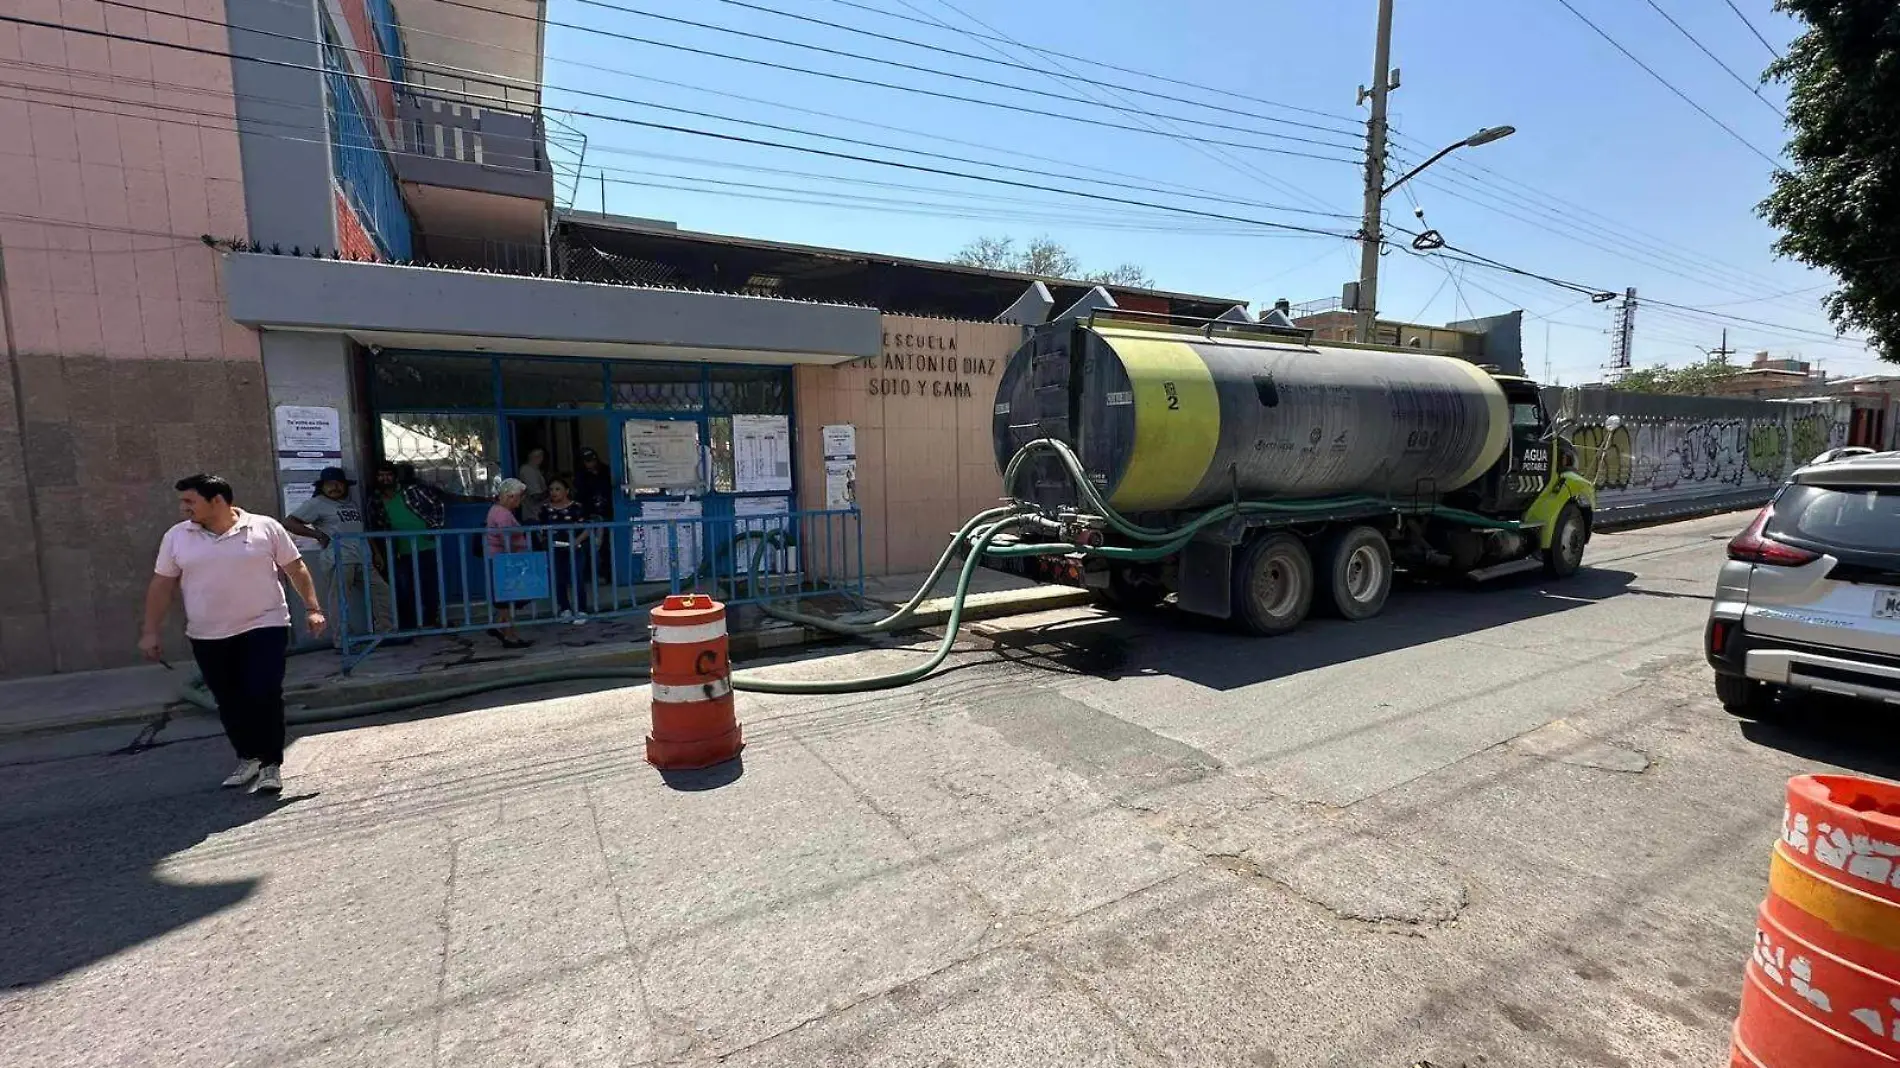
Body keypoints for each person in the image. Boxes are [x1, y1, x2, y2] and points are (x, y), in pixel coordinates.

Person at [140, 473, 326, 795]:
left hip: (264, 624)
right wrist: (150, 631)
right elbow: (162, 584)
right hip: (208, 633)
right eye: (182, 501)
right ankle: (248, 757)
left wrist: (312, 608)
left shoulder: (265, 527)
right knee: (229, 699)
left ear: (217, 501)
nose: (184, 508)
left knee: (264, 691)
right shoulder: (177, 536)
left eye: (190, 501)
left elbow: (295, 567)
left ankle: (270, 764)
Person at [282, 466, 395, 641]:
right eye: (330, 484)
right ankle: (343, 639)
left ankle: (386, 633)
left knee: (382, 593)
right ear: (322, 486)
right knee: (340, 600)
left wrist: (376, 553)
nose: (335, 487)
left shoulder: (350, 503)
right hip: (340, 560)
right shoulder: (318, 503)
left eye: (339, 484)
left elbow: (361, 529)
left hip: (362, 558)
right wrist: (318, 534)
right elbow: (289, 522)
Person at [369, 461, 446, 630]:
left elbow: (437, 503)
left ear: (395, 477)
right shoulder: (375, 500)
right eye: (381, 475)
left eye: (388, 474)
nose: (385, 478)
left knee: (429, 584)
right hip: (398, 550)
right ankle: (411, 623)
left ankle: (431, 619)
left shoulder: (410, 491)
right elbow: (374, 526)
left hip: (424, 545)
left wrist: (435, 527)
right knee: (405, 587)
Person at [485, 478, 535, 649]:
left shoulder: (499, 511)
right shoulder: (502, 513)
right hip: (505, 559)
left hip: (503, 558)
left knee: (506, 600)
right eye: (519, 497)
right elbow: (505, 537)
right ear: (510, 496)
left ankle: (506, 631)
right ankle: (507, 633)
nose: (520, 501)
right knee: (507, 599)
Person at [538, 476, 591, 622]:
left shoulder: (577, 507)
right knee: (558, 578)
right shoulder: (545, 509)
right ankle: (565, 608)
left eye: (557, 489)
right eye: (551, 490)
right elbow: (540, 528)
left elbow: (587, 527)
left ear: (566, 491)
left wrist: (577, 541)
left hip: (575, 547)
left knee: (577, 577)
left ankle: (581, 610)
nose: (554, 492)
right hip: (555, 548)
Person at [516, 447, 548, 523]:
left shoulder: (536, 470)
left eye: (541, 455)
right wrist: (552, 493)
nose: (540, 458)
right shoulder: (528, 471)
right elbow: (536, 496)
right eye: (537, 456)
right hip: (533, 515)